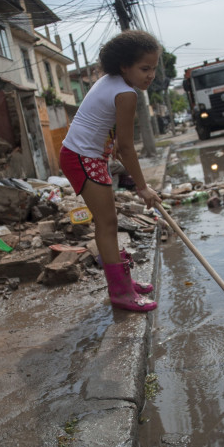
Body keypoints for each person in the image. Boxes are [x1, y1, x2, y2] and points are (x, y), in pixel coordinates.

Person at [59, 30, 161, 312]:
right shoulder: (126, 93)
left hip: (84, 156)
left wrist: (113, 140)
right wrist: (143, 187)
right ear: (124, 65)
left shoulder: (110, 81)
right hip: (81, 158)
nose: (150, 75)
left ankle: (124, 283)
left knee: (109, 223)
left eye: (153, 68)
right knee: (107, 224)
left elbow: (107, 125)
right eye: (144, 68)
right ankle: (120, 293)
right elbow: (127, 148)